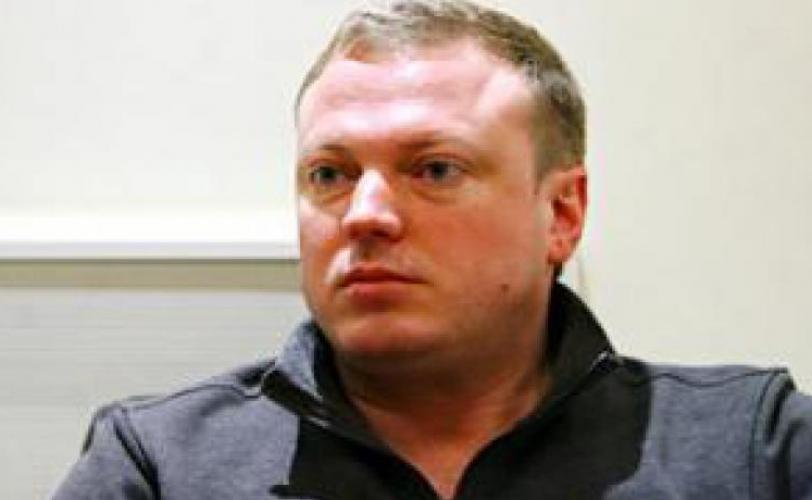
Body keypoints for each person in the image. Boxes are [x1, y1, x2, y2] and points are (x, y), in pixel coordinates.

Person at [53, 1, 812, 498]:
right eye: (330, 174)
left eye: (435, 170)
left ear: (562, 213)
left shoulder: (754, 452)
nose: (365, 215)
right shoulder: (159, 466)